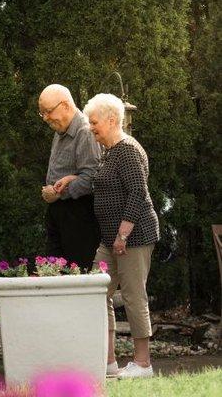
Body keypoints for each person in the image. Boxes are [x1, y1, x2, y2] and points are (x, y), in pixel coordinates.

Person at [82, 93, 160, 378]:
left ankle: (143, 364)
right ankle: (108, 362)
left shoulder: (127, 149)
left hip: (134, 237)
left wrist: (123, 235)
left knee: (133, 295)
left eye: (94, 123)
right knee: (96, 291)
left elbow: (138, 193)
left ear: (112, 120)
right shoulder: (109, 151)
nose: (91, 128)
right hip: (109, 239)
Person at [38, 84, 101, 271]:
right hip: (59, 213)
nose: (46, 118)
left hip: (79, 215)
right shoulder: (60, 130)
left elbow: (92, 177)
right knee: (53, 272)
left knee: (76, 274)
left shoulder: (84, 131)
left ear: (65, 105)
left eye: (48, 111)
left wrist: (59, 193)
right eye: (42, 113)